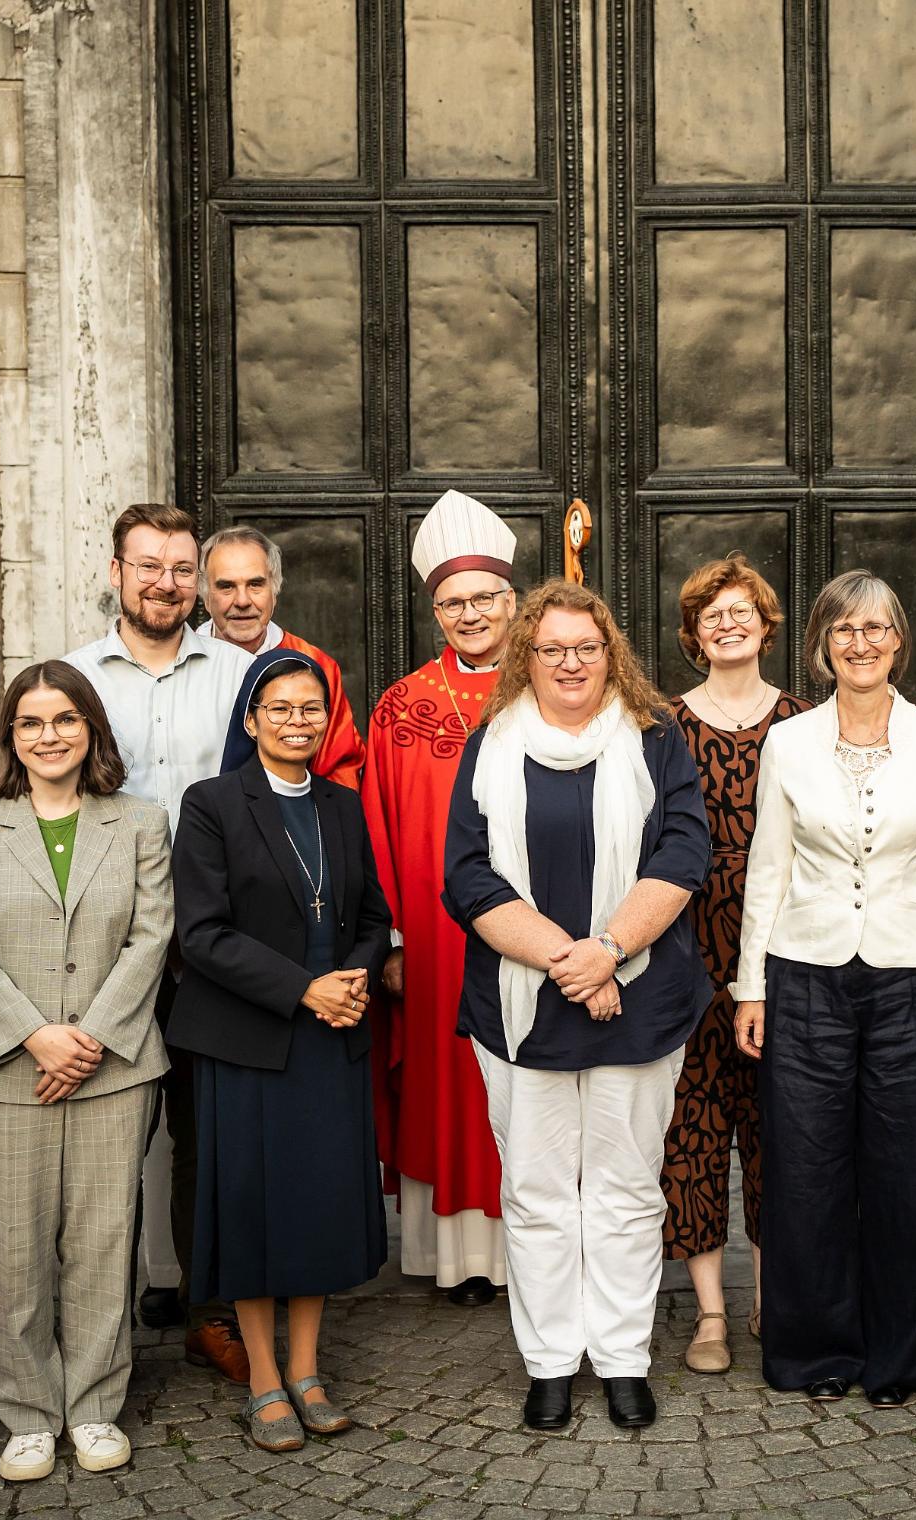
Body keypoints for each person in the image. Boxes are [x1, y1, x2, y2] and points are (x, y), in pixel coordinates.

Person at [443, 580, 710, 1433]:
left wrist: (611, 953)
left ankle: (624, 1356)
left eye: (586, 648)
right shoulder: (489, 743)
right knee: (538, 1189)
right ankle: (553, 1360)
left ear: (610, 656)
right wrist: (570, 961)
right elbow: (467, 872)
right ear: (527, 654)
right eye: (551, 648)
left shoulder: (655, 737)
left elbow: (683, 846)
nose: (569, 663)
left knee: (628, 1189)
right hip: (525, 1002)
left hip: (638, 996)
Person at [732, 569, 916, 1408]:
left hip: (914, 979)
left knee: (910, 1175)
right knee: (806, 1172)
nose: (861, 643)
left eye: (877, 628)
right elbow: (766, 870)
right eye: (844, 629)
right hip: (805, 977)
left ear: (900, 642)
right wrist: (750, 988)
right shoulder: (789, 742)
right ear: (822, 645)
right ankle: (813, 1354)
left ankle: (902, 1359)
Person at [0, 662, 173, 1482]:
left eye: (65, 720)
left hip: (113, 1071)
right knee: (19, 1251)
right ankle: (31, 1414)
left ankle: (97, 1407)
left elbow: (151, 938)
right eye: (31, 723)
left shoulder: (139, 822)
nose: (49, 736)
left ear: (91, 729)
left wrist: (93, 1037)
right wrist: (36, 1035)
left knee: (106, 1246)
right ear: (10, 736)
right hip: (4, 1073)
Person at [166, 649, 395, 1452]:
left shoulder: (341, 804)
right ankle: (262, 1376)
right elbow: (201, 934)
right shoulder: (212, 804)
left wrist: (356, 977)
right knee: (256, 1209)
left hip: (331, 1036)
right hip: (250, 1039)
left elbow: (371, 915)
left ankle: (307, 1369)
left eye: (312, 709)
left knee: (317, 1205)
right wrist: (306, 989)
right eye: (281, 709)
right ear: (252, 719)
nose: (298, 722)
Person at [63, 502, 254, 1377]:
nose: (167, 584)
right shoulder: (72, 681)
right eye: (150, 566)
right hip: (106, 941)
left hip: (212, 937)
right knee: (106, 1133)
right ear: (116, 572)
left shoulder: (238, 674)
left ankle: (209, 1311)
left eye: (182, 569)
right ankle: (91, 1325)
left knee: (206, 1131)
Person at [364, 489, 519, 1307]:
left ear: (512, 600)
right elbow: (379, 826)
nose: (469, 614)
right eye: (453, 602)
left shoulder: (554, 685)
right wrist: (390, 938)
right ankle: (457, 1255)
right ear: (435, 610)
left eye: (483, 598)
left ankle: (535, 1246)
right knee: (448, 1080)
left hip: (534, 931)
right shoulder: (402, 706)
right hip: (435, 935)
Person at [663, 554, 811, 1375]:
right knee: (691, 1134)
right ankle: (711, 1313)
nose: (727, 623)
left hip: (782, 955)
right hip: (684, 957)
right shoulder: (658, 725)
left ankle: (770, 1298)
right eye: (711, 614)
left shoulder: (804, 722)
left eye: (741, 610)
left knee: (777, 1132)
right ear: (694, 633)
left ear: (764, 623)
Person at [200, 524, 364, 788]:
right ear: (206, 596)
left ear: (274, 590)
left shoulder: (315, 665)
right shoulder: (183, 664)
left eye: (255, 584)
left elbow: (338, 769)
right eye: (226, 587)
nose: (242, 601)